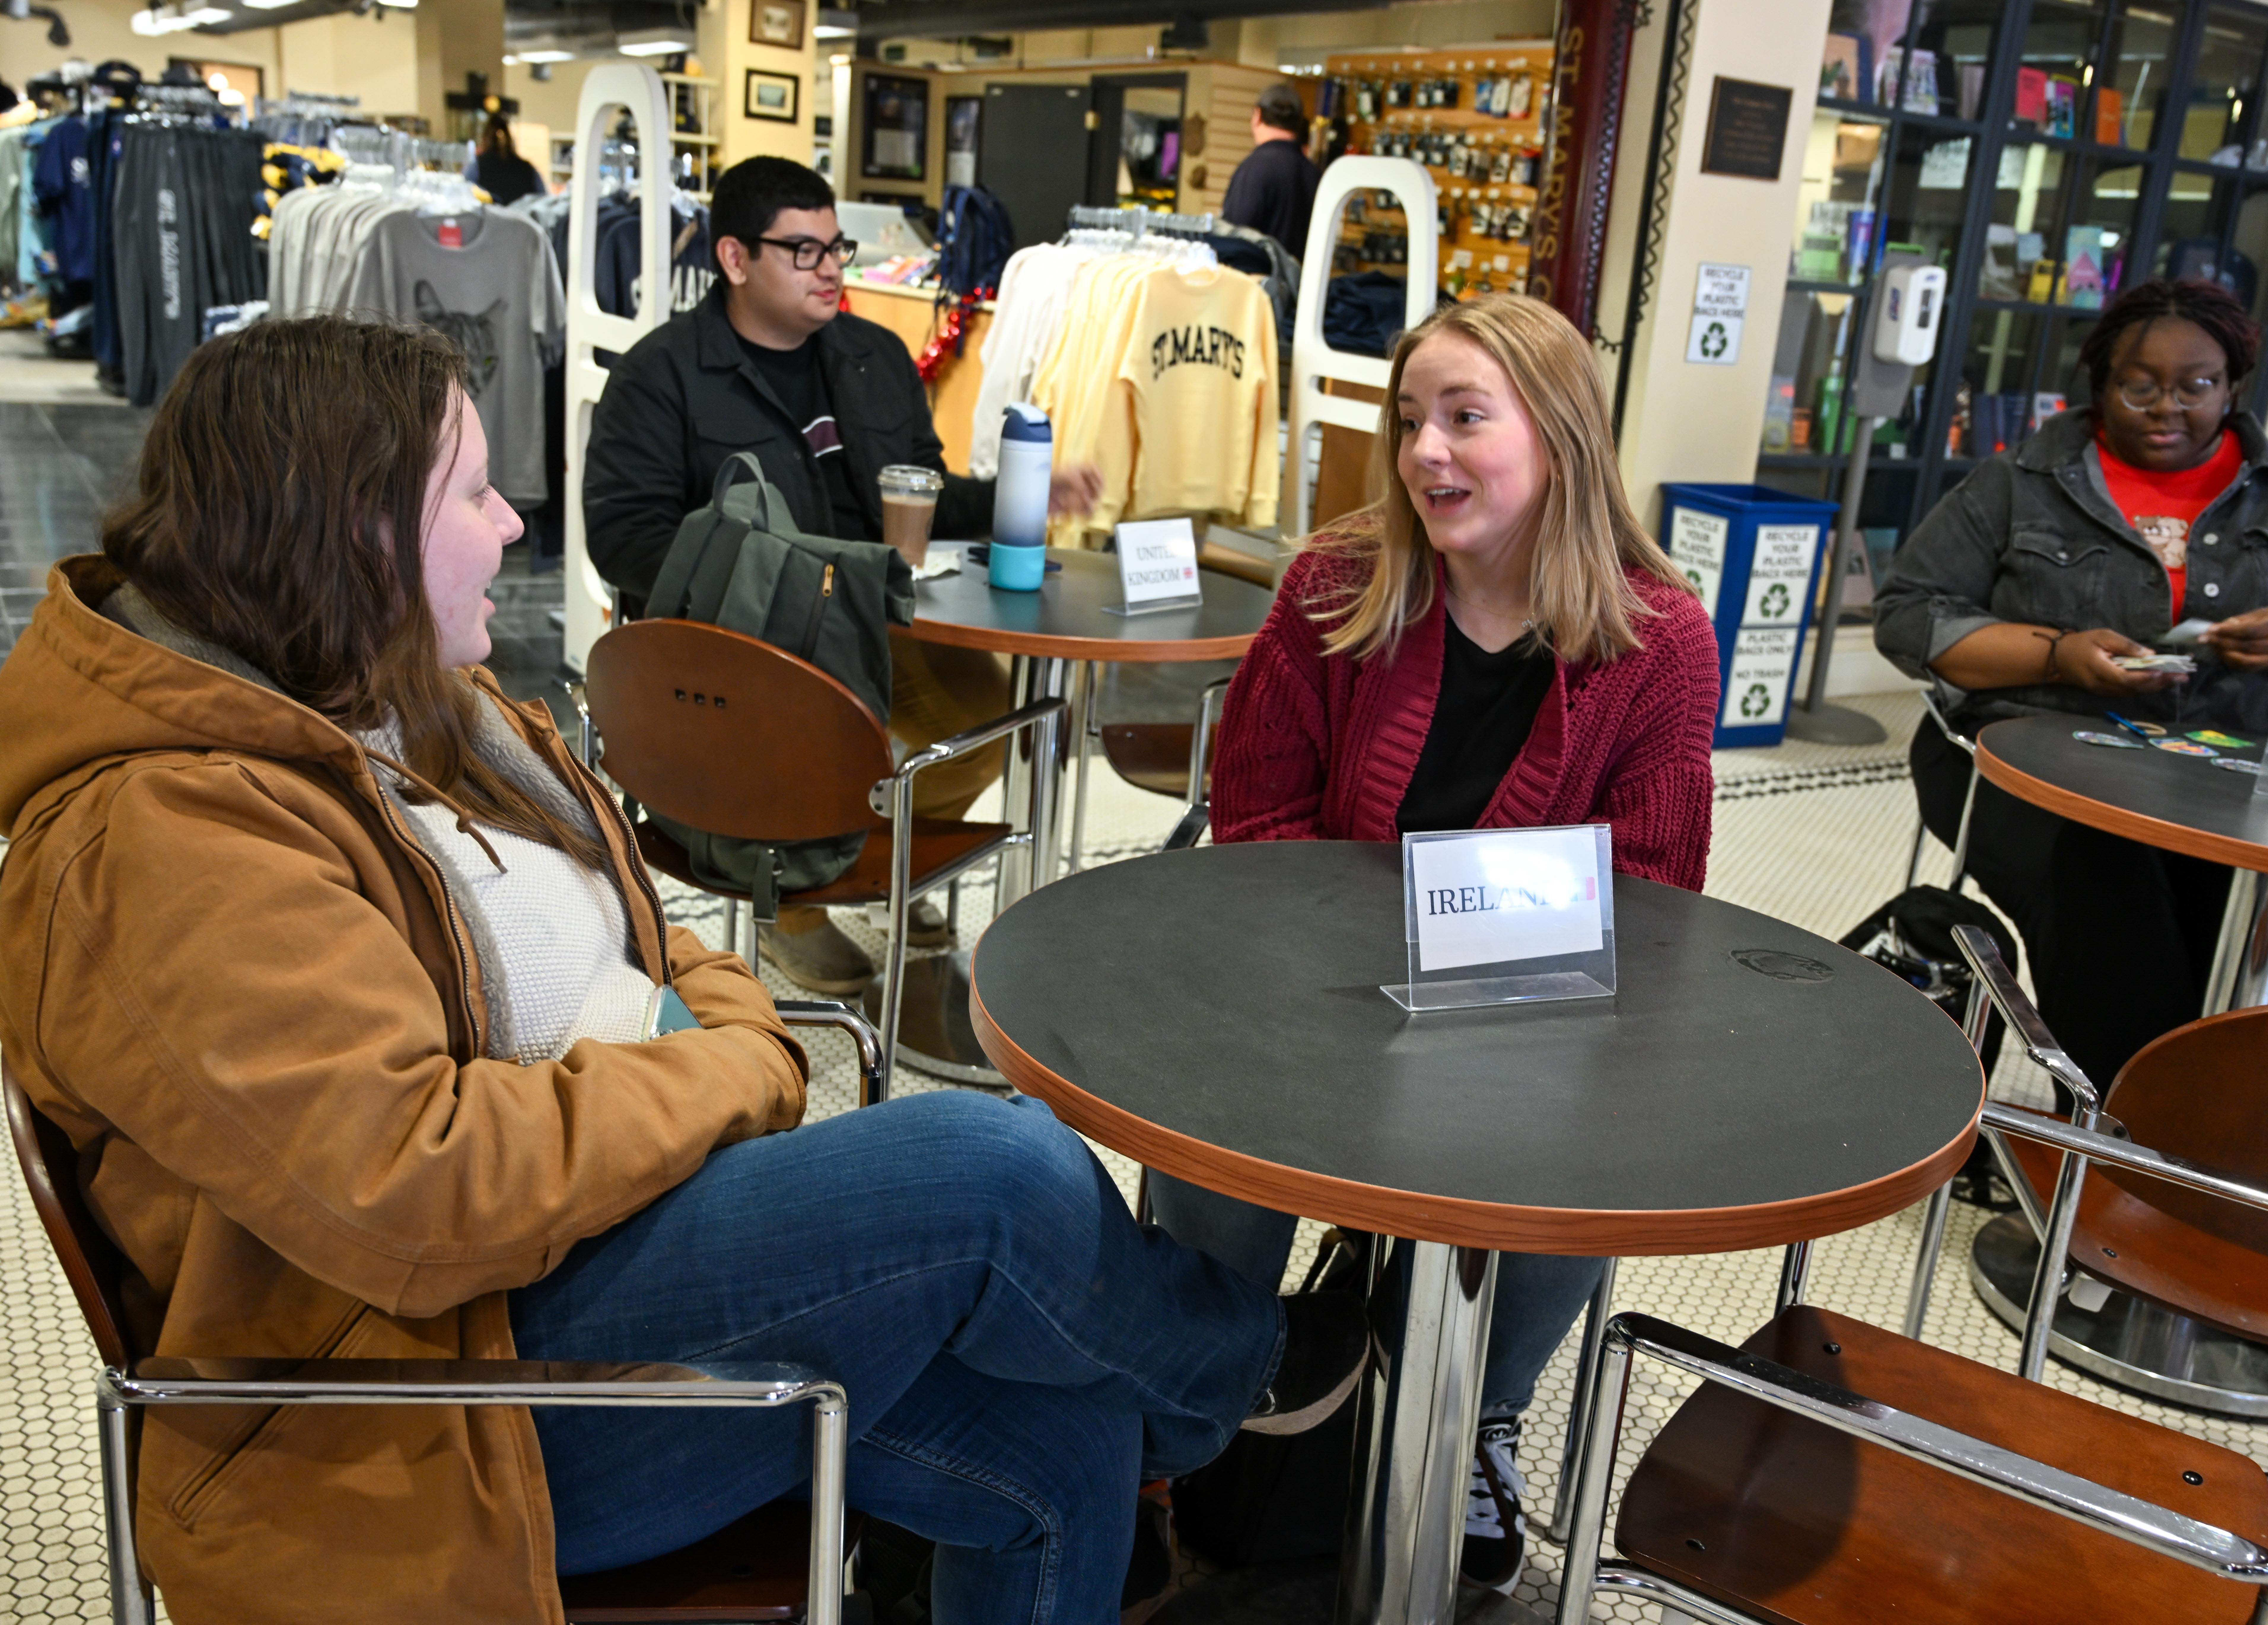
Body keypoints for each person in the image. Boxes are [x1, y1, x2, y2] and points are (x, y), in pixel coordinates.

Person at [0, 317, 1365, 1625]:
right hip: (433, 1411)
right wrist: (727, 1066)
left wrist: (721, 1041)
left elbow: (642, 942)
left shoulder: (401, 702)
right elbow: (416, 1184)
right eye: (470, 492)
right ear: (355, 532)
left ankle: (1203, 1399)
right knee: (996, 1172)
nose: (511, 526)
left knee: (1061, 1443)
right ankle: (1243, 1381)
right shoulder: (161, 840)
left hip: (597, 1249)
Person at [1155, 294, 1720, 1595]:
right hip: (1308, 984)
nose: (1426, 452)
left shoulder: (1658, 637)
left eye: (1467, 418)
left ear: (1561, 436)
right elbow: (1262, 821)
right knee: (1211, 1136)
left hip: (1524, 1014)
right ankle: (1193, 1404)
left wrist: (1472, 986)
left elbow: (1649, 892)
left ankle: (1481, 1413)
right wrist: (1348, 985)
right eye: (1413, 419)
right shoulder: (1336, 584)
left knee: (1593, 1164)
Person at [583, 157, 1101, 994]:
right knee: (829, 741)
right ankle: (793, 904)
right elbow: (622, 536)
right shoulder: (661, 376)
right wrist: (782, 575)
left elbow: (920, 493)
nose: (831, 269)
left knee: (996, 716)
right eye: (803, 251)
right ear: (735, 259)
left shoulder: (873, 355)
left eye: (837, 247)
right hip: (743, 644)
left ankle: (856, 855)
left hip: (876, 625)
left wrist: (1021, 497)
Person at [1876, 278, 2268, 1092]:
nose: (2167, 408)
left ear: (2233, 387)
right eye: (2139, 386)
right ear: (2101, 383)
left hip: (2225, 778)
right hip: (2034, 768)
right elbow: (1909, 617)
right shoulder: (2021, 481)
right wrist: (2057, 655)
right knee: (2110, 891)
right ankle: (2126, 1142)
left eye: (2197, 386)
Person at [1220, 82, 1322, 262]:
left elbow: (1234, 240)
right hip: (1302, 286)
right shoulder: (1314, 174)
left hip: (1260, 285)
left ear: (1258, 115)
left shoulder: (1254, 168)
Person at [471, 112, 544, 205]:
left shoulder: (477, 166)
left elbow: (463, 194)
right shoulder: (527, 168)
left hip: (491, 218)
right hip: (521, 217)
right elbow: (543, 198)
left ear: (486, 139)